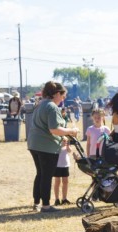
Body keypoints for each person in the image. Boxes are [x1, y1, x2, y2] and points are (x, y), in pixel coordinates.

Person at [26, 81, 79, 213]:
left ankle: (36, 202)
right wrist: (70, 131)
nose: (63, 98)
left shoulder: (41, 104)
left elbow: (47, 127)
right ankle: (46, 205)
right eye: (63, 95)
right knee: (46, 176)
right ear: (56, 94)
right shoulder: (52, 107)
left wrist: (63, 135)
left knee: (40, 174)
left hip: (34, 144)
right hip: (46, 146)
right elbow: (54, 129)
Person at [53, 138, 71, 206]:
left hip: (65, 165)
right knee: (57, 182)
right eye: (64, 141)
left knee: (65, 181)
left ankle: (64, 198)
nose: (65, 142)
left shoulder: (66, 147)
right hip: (57, 165)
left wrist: (68, 146)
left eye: (66, 141)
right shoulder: (56, 146)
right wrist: (60, 146)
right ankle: (57, 199)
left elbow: (70, 151)